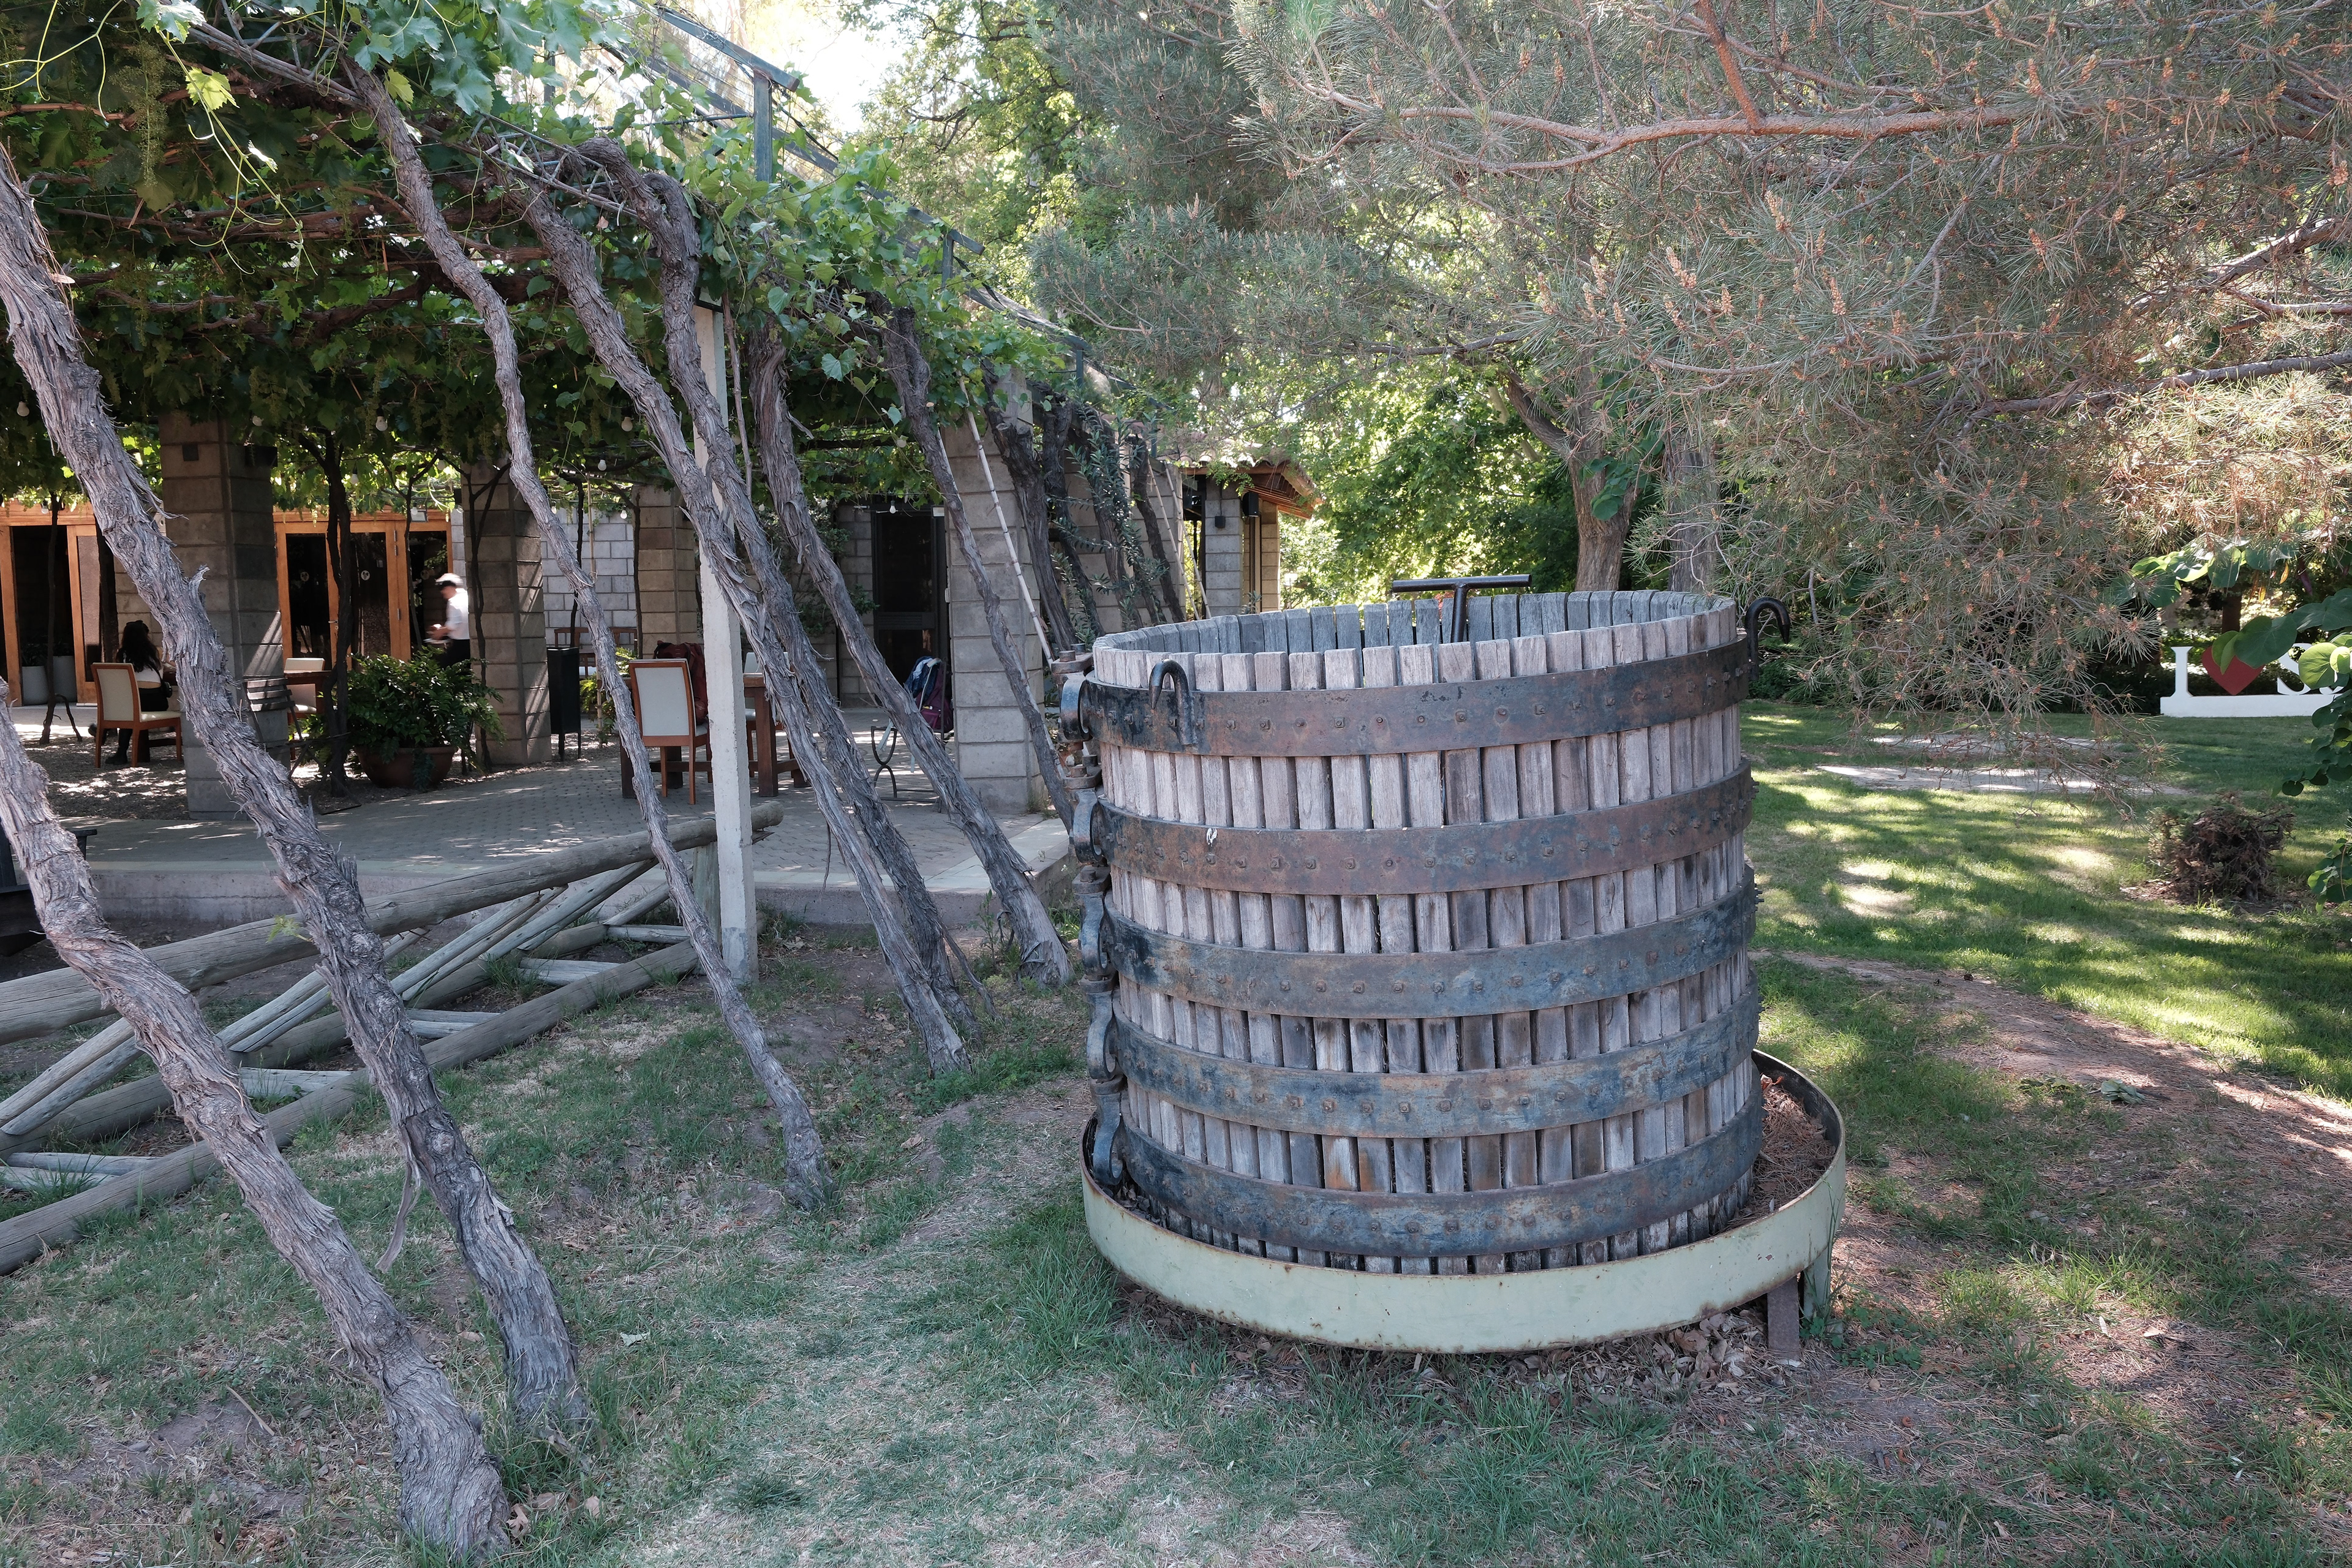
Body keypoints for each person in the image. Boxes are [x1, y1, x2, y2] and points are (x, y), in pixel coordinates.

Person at [113, 620, 174, 762]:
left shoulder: (122, 654)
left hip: (134, 704)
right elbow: (175, 663)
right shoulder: (156, 651)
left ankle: (121, 752)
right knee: (132, 710)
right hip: (157, 703)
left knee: (129, 713)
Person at [428, 573, 470, 668]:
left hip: (460, 645)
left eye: (443, 589)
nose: (443, 592)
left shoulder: (454, 601)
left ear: (449, 587)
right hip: (471, 642)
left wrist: (439, 632)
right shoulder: (468, 597)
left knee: (447, 669)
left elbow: (453, 625)